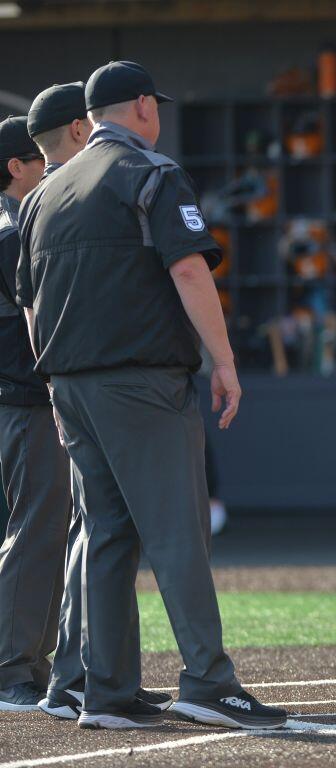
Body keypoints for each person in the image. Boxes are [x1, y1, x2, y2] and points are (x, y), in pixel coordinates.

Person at [16, 60, 286, 730]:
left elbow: (29, 301)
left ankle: (106, 692)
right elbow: (189, 270)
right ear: (142, 106)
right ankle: (207, 681)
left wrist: (53, 381)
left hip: (67, 384)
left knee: (106, 533)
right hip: (140, 380)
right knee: (177, 531)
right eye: (154, 104)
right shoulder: (150, 172)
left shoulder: (44, 192)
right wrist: (224, 362)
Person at [0, 114, 67, 714]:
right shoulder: (10, 229)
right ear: (15, 167)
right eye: (38, 157)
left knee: (48, 527)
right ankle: (11, 667)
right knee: (34, 528)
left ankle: (34, 662)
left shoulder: (19, 223)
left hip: (30, 396)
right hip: (23, 398)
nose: (50, 164)